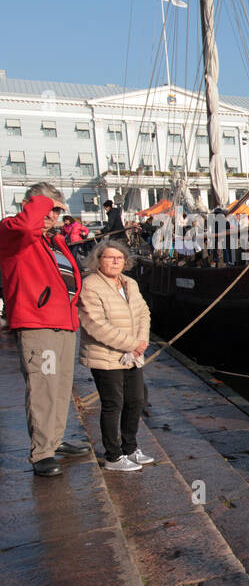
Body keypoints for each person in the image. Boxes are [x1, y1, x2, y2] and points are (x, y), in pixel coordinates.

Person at [0, 183, 91, 476]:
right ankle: (42, 452)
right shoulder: (13, 232)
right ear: (32, 203)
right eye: (50, 208)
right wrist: (41, 203)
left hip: (63, 322)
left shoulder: (53, 241)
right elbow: (27, 227)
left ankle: (55, 439)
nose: (54, 215)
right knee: (44, 385)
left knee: (61, 385)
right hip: (39, 324)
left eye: (57, 209)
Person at [77, 240, 152, 472]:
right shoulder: (90, 285)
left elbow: (143, 313)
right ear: (98, 260)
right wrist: (132, 344)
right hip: (105, 355)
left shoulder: (130, 283)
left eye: (119, 257)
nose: (115, 261)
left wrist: (142, 341)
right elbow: (96, 324)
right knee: (113, 404)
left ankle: (130, 447)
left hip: (133, 354)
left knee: (136, 400)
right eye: (109, 257)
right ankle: (113, 456)